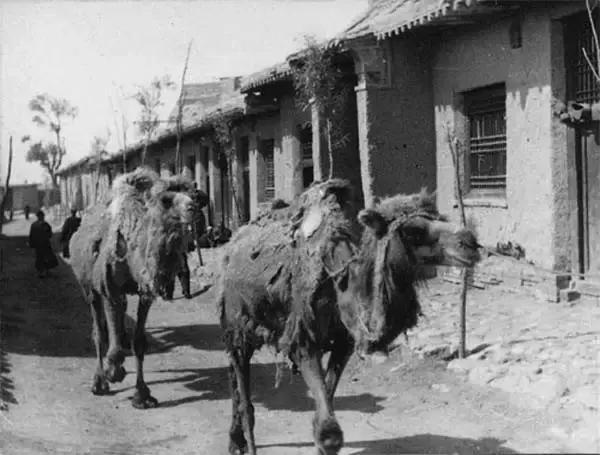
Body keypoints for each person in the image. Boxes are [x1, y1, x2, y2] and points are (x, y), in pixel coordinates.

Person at [29, 210, 58, 277]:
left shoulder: (33, 225)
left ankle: (40, 272)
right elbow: (50, 234)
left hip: (38, 245)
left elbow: (31, 235)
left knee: (39, 258)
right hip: (45, 244)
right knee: (47, 257)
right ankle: (46, 271)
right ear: (42, 216)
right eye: (42, 216)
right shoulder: (45, 224)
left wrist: (32, 244)